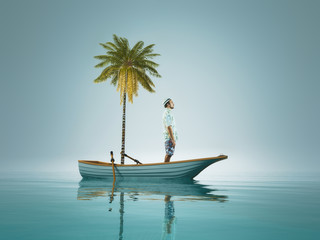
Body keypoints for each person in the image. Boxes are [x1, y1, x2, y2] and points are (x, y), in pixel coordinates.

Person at [163, 98, 178, 162]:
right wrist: (172, 140)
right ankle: (165, 169)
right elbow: (169, 127)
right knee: (169, 154)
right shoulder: (167, 113)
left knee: (169, 154)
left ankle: (165, 168)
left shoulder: (169, 113)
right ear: (168, 104)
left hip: (170, 137)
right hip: (169, 138)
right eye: (172, 102)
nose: (173, 104)